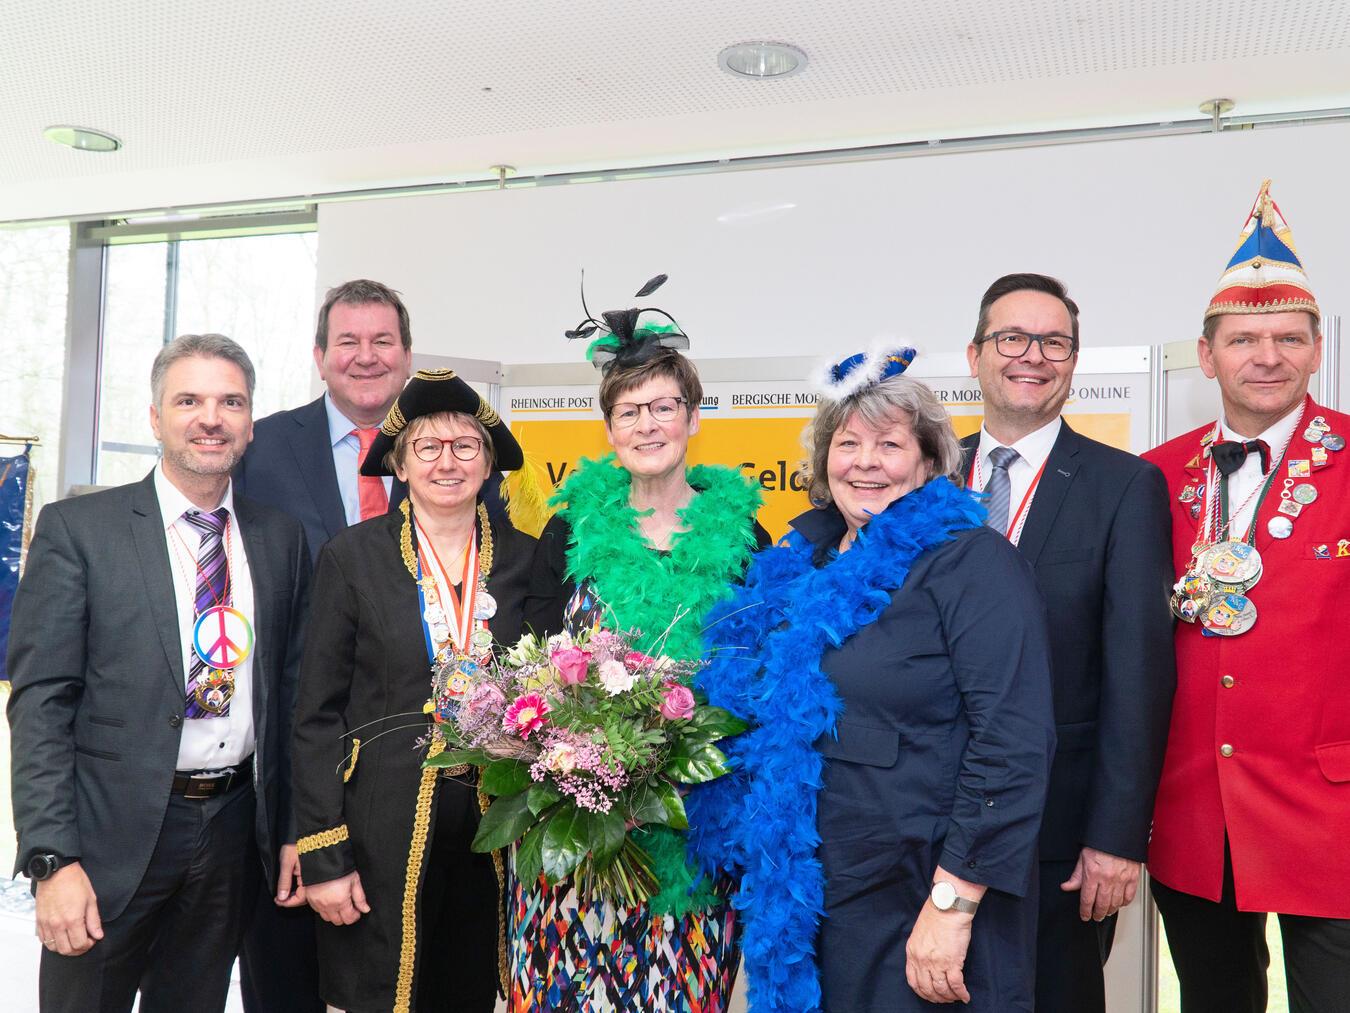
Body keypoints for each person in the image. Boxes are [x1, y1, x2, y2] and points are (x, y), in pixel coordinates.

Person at [690, 347, 1056, 1012]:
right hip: (817, 904)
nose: (864, 461)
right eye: (848, 442)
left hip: (922, 902)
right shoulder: (799, 563)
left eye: (889, 444)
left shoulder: (974, 565)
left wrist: (952, 902)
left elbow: (1014, 743)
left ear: (927, 459)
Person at [6, 333, 310, 1013]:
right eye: (189, 399)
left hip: (234, 833)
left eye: (230, 400)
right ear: (154, 417)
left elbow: (290, 699)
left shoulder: (279, 538)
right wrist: (52, 859)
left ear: (250, 421)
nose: (212, 417)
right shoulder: (79, 530)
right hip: (109, 840)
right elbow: (41, 706)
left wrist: (295, 826)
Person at [517, 275, 768, 1011]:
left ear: (693, 417)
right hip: (579, 842)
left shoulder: (748, 538)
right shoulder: (568, 532)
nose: (649, 424)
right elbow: (532, 670)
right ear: (608, 428)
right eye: (631, 410)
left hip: (699, 835)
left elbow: (768, 677)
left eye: (664, 406)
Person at [1145, 180, 1350, 1012]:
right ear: (1207, 355)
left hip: (1332, 809)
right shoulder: (1151, 477)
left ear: (1316, 349)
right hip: (1196, 808)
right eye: (1244, 339)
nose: (1267, 355)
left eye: (1287, 338)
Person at [959, 273, 1176, 1012]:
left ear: (1074, 360)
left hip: (1056, 834)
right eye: (1012, 337)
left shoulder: (1125, 486)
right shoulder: (919, 475)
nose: (1033, 355)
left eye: (1055, 341)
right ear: (976, 353)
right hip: (923, 822)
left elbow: (1139, 672)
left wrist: (1116, 838)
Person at [290, 368, 536, 1013]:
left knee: (477, 990)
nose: (447, 462)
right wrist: (324, 854)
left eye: (465, 446)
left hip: (500, 836)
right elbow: (316, 716)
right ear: (398, 462)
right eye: (427, 447)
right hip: (378, 833)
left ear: (489, 464)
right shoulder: (352, 557)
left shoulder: (531, 561)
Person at [232, 277, 415, 1012]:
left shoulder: (449, 452)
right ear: (319, 355)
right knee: (284, 972)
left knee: (394, 972)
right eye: (348, 341)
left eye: (382, 341)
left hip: (408, 760)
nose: (365, 357)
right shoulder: (261, 447)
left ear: (406, 355)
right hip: (282, 750)